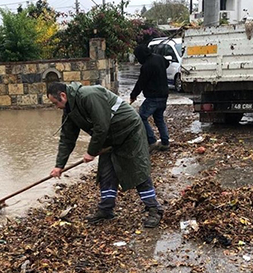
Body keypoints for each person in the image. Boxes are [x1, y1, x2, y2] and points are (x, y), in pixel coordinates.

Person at [46, 82, 164, 228]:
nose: (56, 107)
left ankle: (154, 209)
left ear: (63, 95)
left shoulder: (89, 95)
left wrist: (91, 152)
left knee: (137, 170)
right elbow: (67, 139)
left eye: (55, 103)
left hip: (128, 131)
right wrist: (59, 165)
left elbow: (101, 126)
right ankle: (106, 209)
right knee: (106, 172)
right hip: (109, 138)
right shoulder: (70, 110)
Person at [130, 43, 170, 152]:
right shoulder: (159, 58)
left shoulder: (147, 66)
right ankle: (165, 143)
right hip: (164, 95)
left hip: (153, 97)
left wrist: (133, 95)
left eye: (138, 57)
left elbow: (141, 83)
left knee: (141, 117)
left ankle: (151, 141)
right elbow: (167, 64)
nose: (138, 60)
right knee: (159, 118)